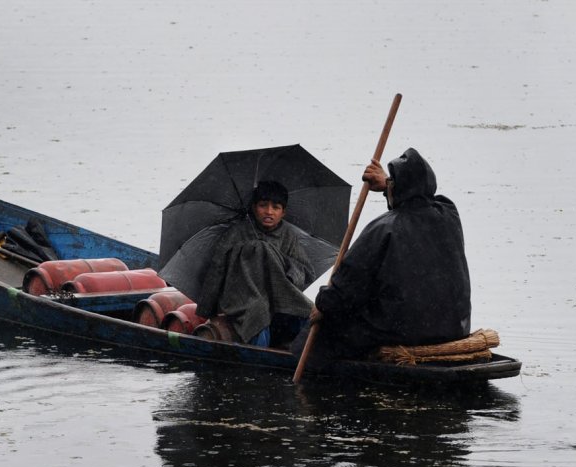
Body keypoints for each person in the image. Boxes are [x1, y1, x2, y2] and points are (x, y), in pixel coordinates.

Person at [295, 148, 471, 364]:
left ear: (396, 188)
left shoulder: (383, 228)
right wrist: (389, 185)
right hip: (453, 327)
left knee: (318, 334)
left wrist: (323, 304)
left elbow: (345, 289)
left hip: (401, 331)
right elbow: (417, 193)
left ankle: (300, 375)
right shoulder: (449, 213)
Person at [195, 180, 315, 347]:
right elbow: (217, 269)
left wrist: (282, 267)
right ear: (253, 207)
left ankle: (300, 352)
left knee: (308, 313)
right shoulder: (236, 233)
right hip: (242, 297)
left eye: (275, 207)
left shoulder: (288, 235)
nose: (269, 212)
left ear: (283, 212)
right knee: (257, 314)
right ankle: (259, 358)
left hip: (278, 296)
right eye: (263, 205)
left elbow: (306, 271)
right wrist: (206, 311)